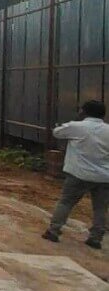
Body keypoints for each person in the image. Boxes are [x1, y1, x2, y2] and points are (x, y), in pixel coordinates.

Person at [43, 100, 109, 250]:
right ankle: (96, 238)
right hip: (104, 177)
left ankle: (53, 231)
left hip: (79, 174)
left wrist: (76, 122)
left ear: (84, 112)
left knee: (66, 202)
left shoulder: (76, 127)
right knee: (100, 208)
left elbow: (57, 133)